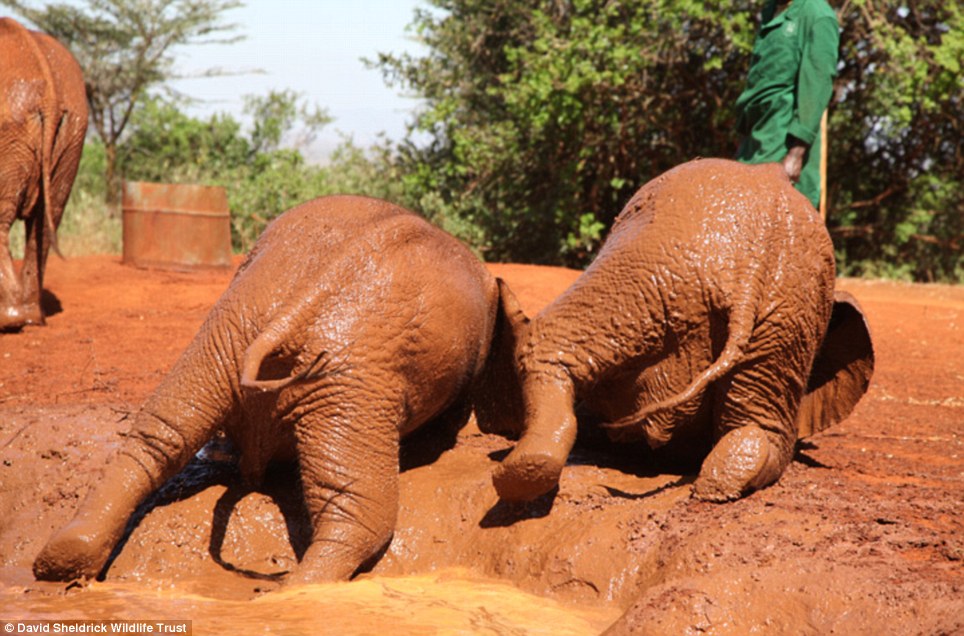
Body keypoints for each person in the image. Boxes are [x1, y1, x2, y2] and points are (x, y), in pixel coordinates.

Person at [735, 0, 840, 209]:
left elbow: (816, 86)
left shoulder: (817, 15)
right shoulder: (770, 11)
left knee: (772, 221)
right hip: (755, 142)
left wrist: (795, 153)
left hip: (783, 144)